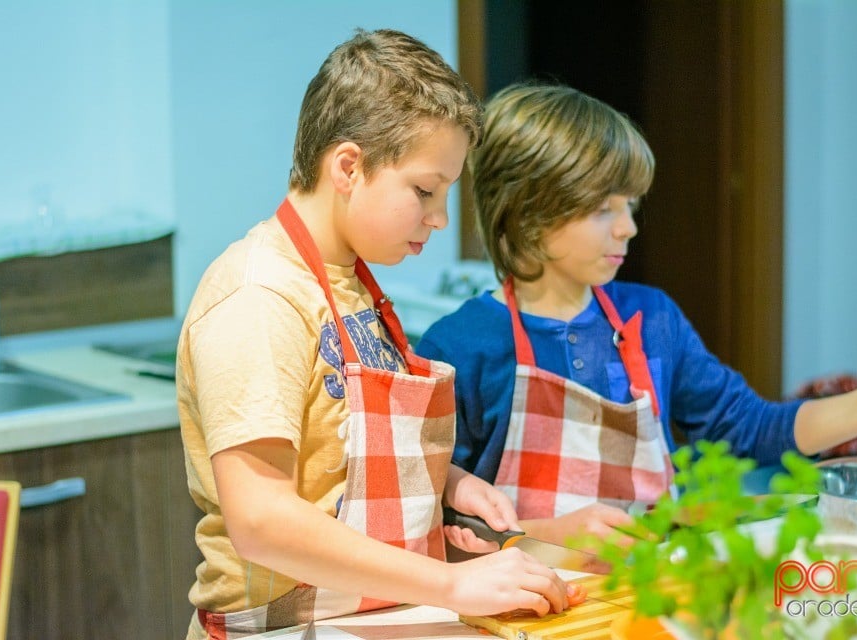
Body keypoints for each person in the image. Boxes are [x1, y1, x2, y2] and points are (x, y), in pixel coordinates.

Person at [415, 81, 857, 548]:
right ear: (528, 212)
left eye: (631, 207)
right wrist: (538, 537)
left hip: (650, 598)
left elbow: (751, 428)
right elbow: (430, 505)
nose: (628, 229)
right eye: (605, 209)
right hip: (516, 605)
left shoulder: (653, 321)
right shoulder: (460, 346)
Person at [177, 32, 573, 640]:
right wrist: (449, 584)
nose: (440, 218)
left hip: (372, 617)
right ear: (348, 167)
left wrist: (447, 483)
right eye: (424, 191)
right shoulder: (259, 296)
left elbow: (336, 447)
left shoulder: (353, 282)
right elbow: (261, 520)